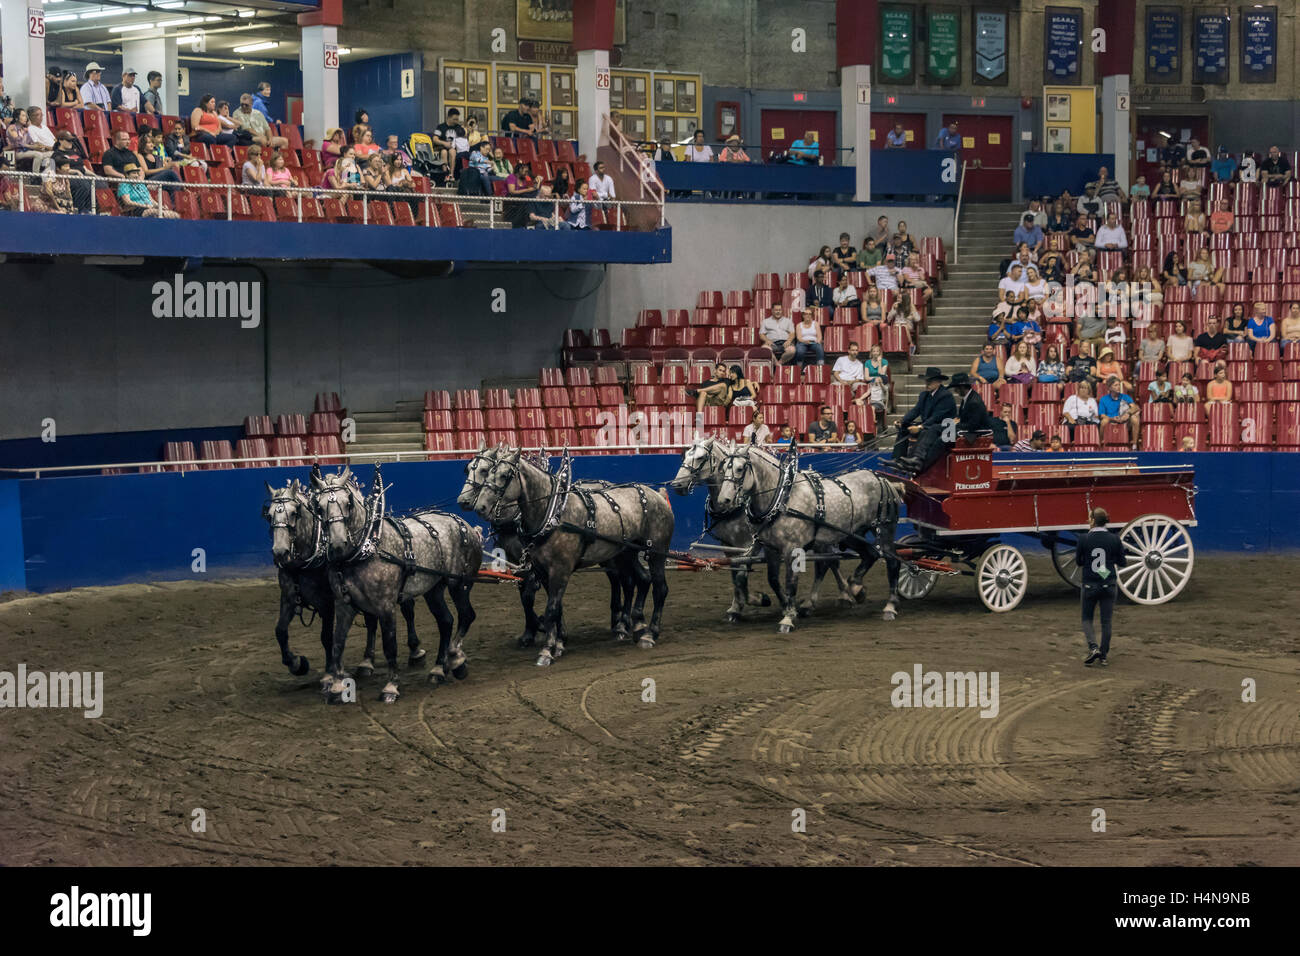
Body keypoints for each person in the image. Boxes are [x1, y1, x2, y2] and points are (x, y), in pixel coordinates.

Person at [1078, 507, 1127, 666]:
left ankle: (1093, 647)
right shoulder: (1114, 539)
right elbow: (1122, 562)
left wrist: (1094, 565)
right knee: (1106, 622)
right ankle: (1104, 656)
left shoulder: (1084, 539)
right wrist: (1104, 569)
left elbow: (1079, 562)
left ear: (1092, 520)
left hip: (1090, 585)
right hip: (1109, 584)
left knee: (1087, 619)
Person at [892, 368, 956, 473]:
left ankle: (917, 459)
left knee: (926, 431)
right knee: (904, 427)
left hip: (942, 428)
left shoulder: (946, 395)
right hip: (928, 425)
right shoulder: (924, 395)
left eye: (930, 381)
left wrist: (920, 427)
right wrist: (903, 420)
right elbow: (916, 410)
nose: (927, 383)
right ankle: (898, 459)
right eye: (926, 381)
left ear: (939, 382)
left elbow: (937, 417)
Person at [948, 372, 993, 441]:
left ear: (962, 387)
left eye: (956, 388)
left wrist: (955, 424)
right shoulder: (968, 398)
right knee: (940, 430)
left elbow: (973, 425)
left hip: (976, 433)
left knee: (943, 438)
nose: (955, 391)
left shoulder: (974, 402)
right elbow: (963, 418)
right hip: (968, 429)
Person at [1098, 378, 1141, 447]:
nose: (1118, 387)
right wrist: (1112, 419)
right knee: (1104, 421)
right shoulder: (1103, 399)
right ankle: (1101, 443)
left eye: (1119, 385)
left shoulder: (1125, 397)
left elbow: (1135, 407)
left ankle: (1134, 445)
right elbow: (1102, 415)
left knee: (1134, 418)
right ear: (1109, 388)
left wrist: (1128, 414)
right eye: (1115, 385)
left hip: (1124, 420)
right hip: (1111, 420)